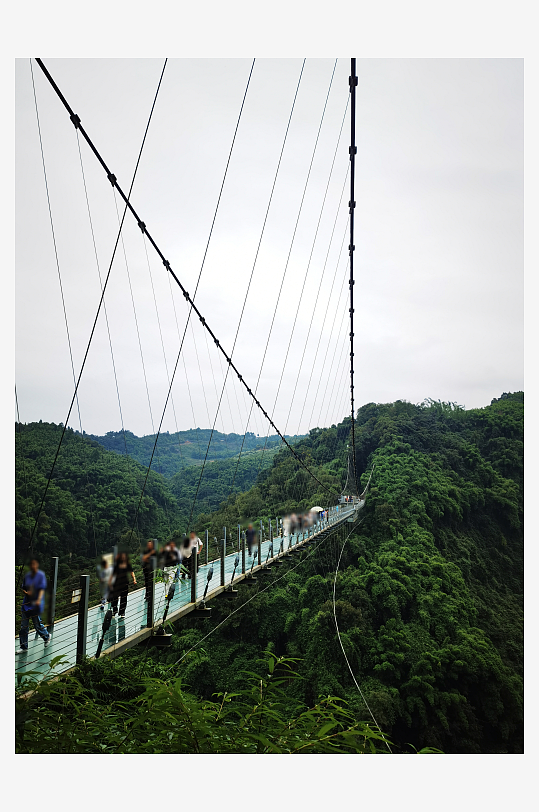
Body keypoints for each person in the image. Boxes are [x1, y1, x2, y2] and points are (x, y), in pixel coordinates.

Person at [16, 557, 51, 654]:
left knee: (37, 625)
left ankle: (46, 637)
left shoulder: (40, 575)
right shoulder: (27, 576)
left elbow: (41, 590)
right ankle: (24, 647)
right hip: (26, 604)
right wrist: (26, 593)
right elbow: (23, 588)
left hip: (35, 604)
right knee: (23, 627)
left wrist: (39, 600)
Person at [108, 552, 137, 619]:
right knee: (115, 597)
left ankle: (122, 612)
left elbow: (131, 572)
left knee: (124, 598)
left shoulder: (127, 564)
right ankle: (114, 610)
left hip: (125, 583)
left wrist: (134, 579)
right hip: (116, 583)